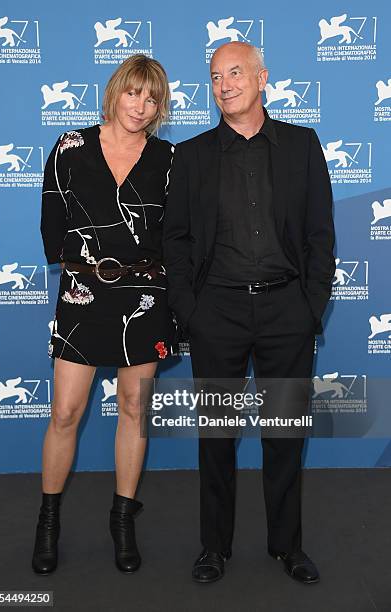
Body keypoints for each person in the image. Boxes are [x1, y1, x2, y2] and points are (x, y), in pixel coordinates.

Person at [163, 42, 335, 584]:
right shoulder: (189, 155)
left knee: (285, 434)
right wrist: (192, 311)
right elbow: (177, 240)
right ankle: (214, 547)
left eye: (236, 72)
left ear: (262, 77)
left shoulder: (303, 146)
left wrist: (310, 307)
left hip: (288, 310)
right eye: (216, 77)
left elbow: (319, 234)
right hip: (218, 313)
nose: (225, 84)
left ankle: (287, 546)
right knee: (217, 435)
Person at [34, 54, 175, 575]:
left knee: (134, 413)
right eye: (133, 93)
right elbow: (52, 215)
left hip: (144, 298)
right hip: (82, 296)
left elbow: (176, 232)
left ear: (160, 107)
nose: (141, 105)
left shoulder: (167, 158)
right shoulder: (70, 147)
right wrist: (75, 266)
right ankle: (48, 520)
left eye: (152, 98)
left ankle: (123, 520)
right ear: (116, 91)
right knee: (65, 413)